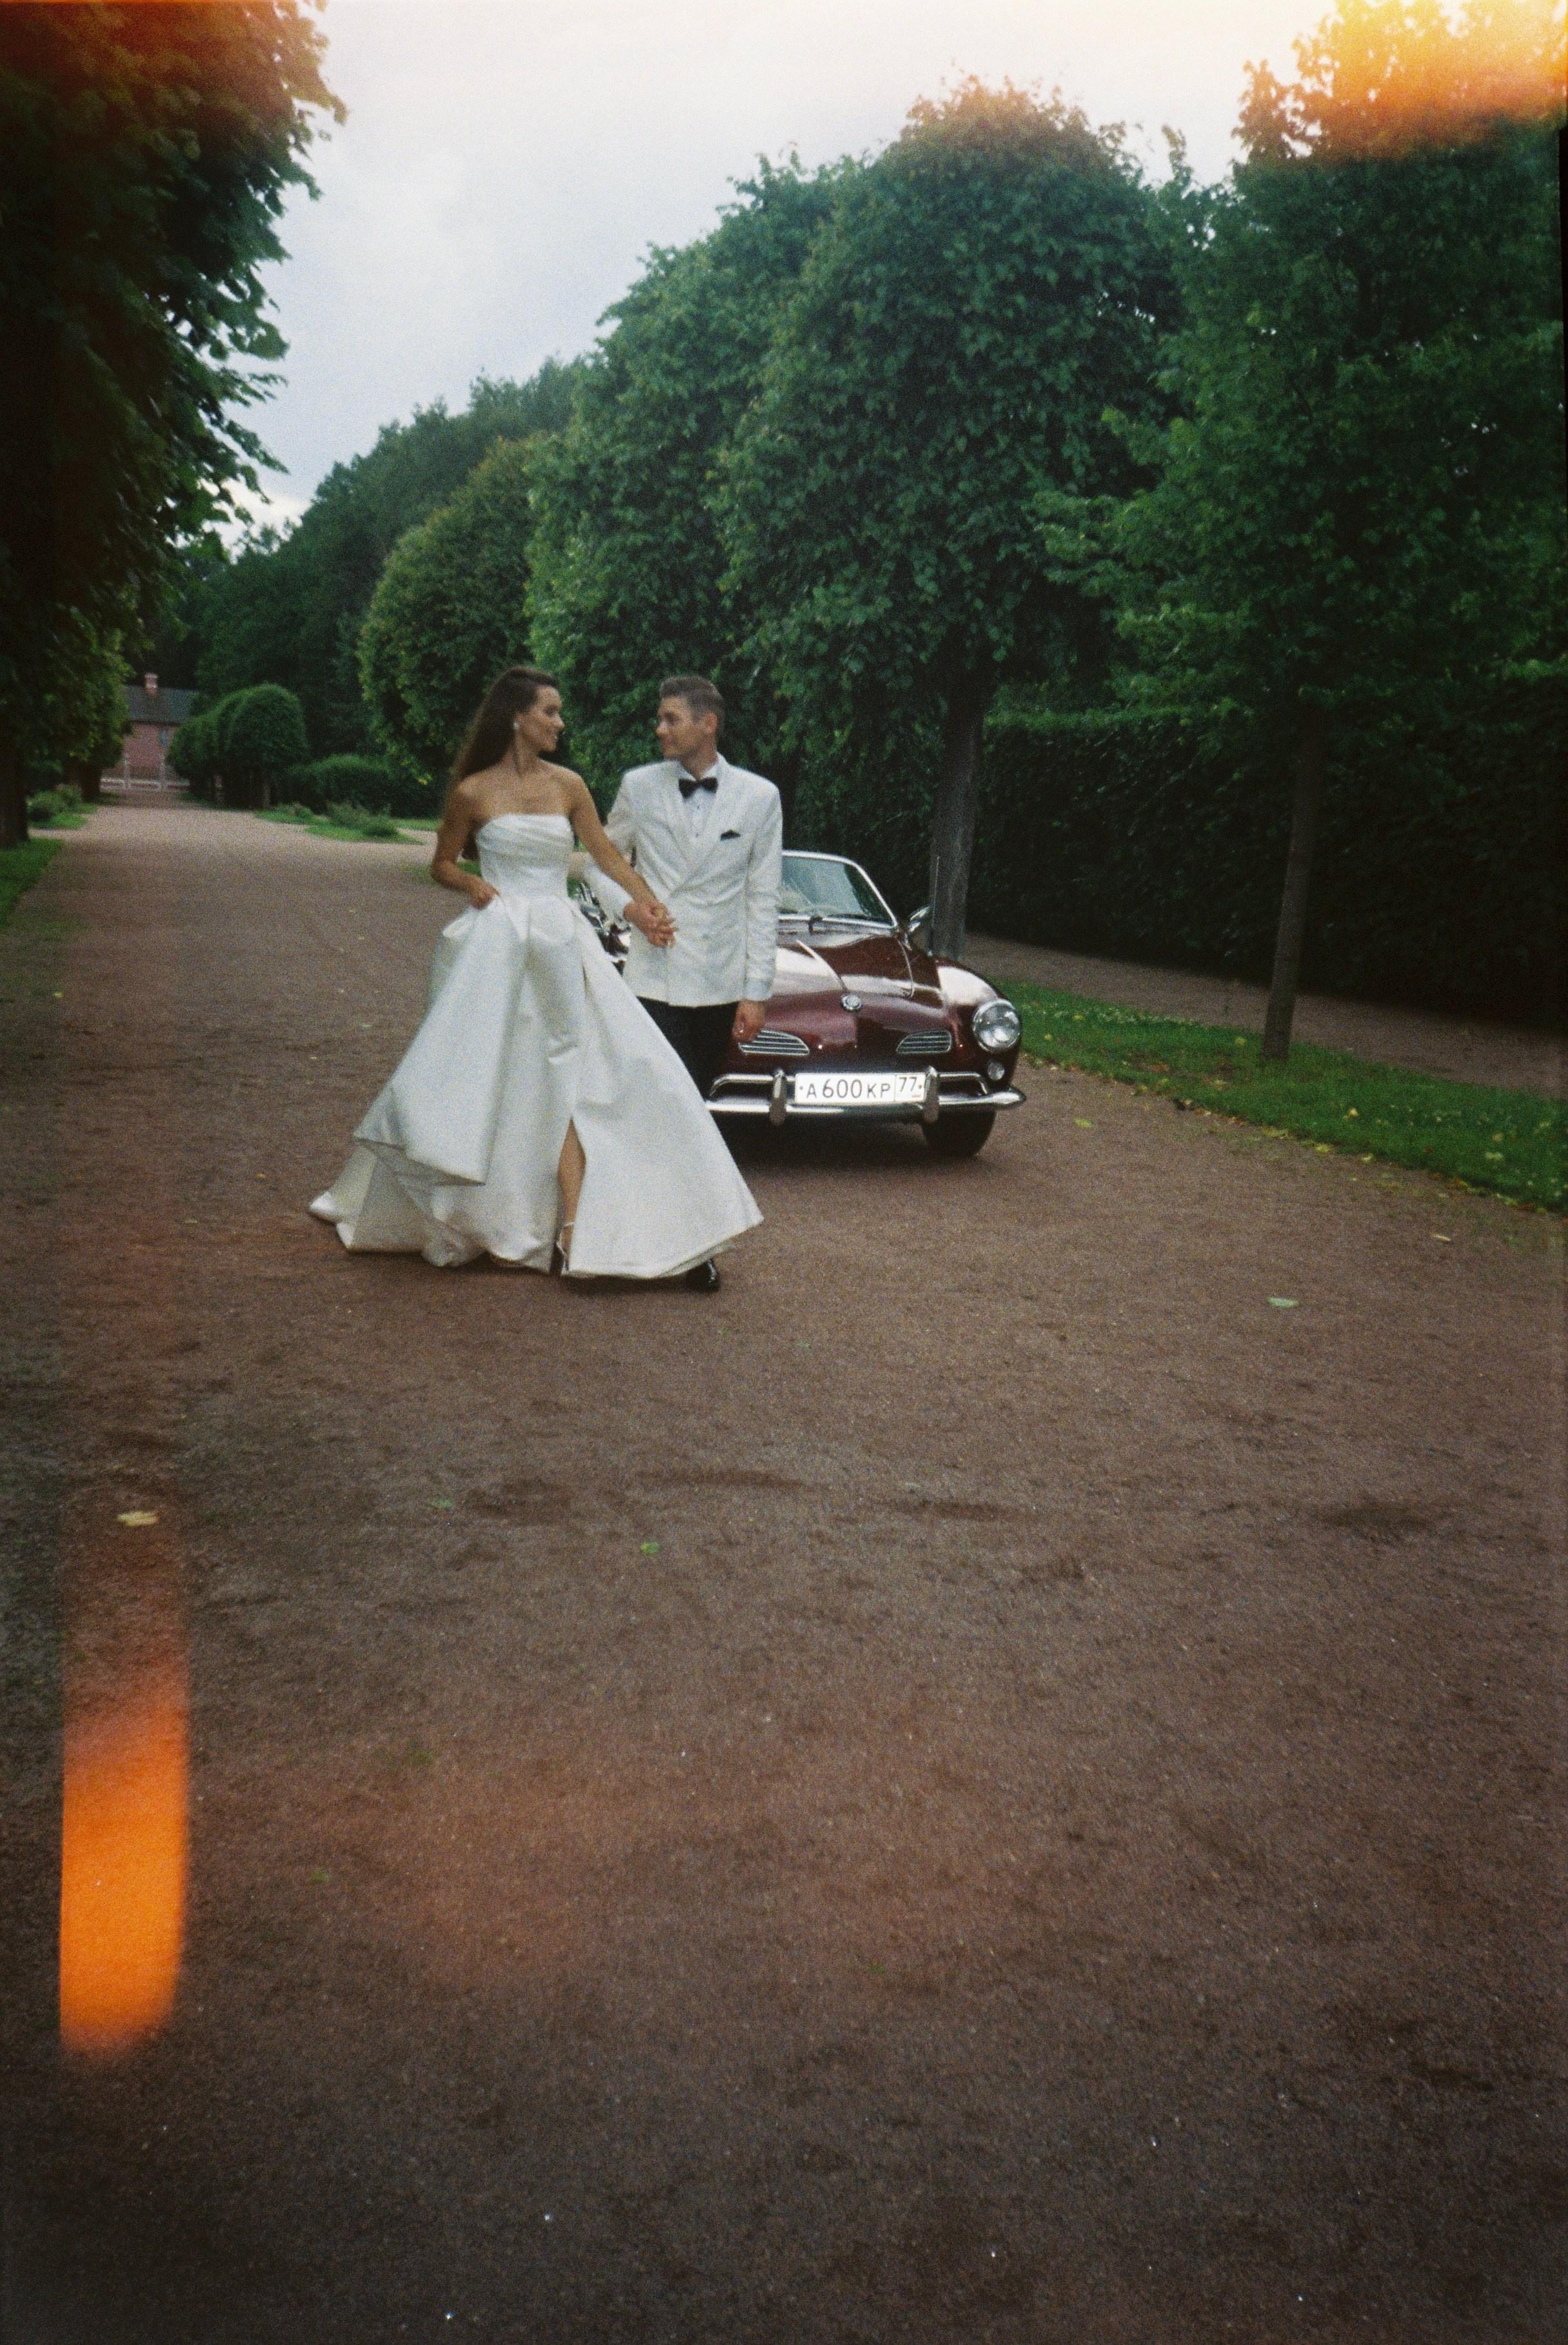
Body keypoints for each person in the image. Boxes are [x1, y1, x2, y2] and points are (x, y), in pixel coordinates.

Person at [309, 666, 761, 1284]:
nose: (559, 722)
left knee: (576, 1075)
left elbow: (603, 856)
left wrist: (646, 903)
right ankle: (485, 1209)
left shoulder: (570, 785)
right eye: (549, 711)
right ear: (517, 716)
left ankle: (572, 1225)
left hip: (557, 941)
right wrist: (473, 884)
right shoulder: (471, 791)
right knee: (489, 1074)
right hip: (495, 944)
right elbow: (442, 863)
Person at [587, 675, 782, 1291]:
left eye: (670, 718)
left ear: (707, 724)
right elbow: (599, 862)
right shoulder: (637, 788)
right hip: (651, 976)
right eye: (659, 718)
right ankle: (623, 1241)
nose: (659, 728)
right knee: (648, 1105)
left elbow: (763, 897)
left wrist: (756, 990)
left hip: (721, 984)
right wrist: (631, 912)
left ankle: (692, 1246)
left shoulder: (759, 798)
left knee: (695, 1113)